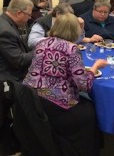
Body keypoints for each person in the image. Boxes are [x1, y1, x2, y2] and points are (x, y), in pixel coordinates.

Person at [23, 13, 107, 155]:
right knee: (91, 109)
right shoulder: (71, 49)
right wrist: (95, 68)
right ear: (74, 30)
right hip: (55, 103)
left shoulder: (42, 42)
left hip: (31, 98)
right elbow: (84, 85)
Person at [0, 0, 34, 95]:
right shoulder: (5, 31)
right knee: (47, 91)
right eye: (28, 15)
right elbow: (19, 61)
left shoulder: (2, 20)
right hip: (5, 80)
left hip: (3, 71)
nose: (29, 18)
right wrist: (40, 51)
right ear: (19, 13)